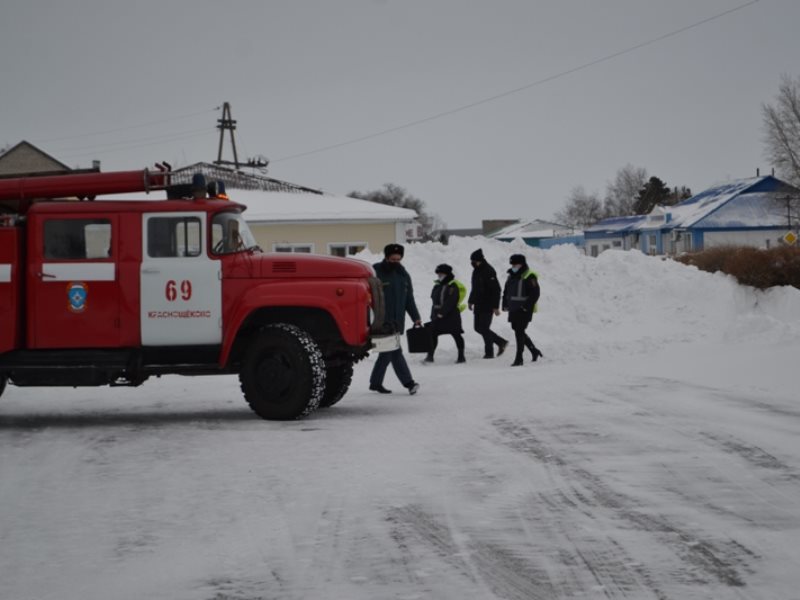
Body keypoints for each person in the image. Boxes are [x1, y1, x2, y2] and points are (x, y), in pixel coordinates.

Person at [369, 243, 422, 395]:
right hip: (382, 321)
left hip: (397, 321)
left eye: (398, 259)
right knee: (395, 351)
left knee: (386, 353)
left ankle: (375, 383)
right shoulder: (375, 272)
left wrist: (416, 317)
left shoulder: (404, 275)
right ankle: (409, 383)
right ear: (386, 257)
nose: (396, 262)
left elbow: (409, 299)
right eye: (393, 259)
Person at [502, 253, 543, 366]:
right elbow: (506, 291)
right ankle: (534, 351)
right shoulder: (511, 276)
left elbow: (535, 293)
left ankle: (519, 358)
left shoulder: (529, 276)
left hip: (524, 309)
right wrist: (504, 304)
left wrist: (525, 307)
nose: (514, 266)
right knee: (518, 330)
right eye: (512, 264)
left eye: (516, 264)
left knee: (519, 331)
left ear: (522, 264)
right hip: (513, 308)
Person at [468, 248, 508, 359]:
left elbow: (496, 290)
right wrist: (471, 301)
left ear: (479, 260)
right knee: (477, 328)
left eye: (474, 261)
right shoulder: (476, 271)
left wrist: (495, 306)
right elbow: (474, 288)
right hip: (478, 304)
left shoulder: (489, 270)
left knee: (484, 328)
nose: (472, 263)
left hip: (488, 304)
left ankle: (489, 352)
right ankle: (500, 342)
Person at [425, 264, 466, 364]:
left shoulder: (452, 286)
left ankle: (461, 356)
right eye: (438, 273)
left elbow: (451, 301)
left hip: (451, 316)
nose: (439, 275)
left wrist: (442, 312)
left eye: (441, 273)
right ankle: (430, 356)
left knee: (456, 334)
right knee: (433, 334)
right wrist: (434, 314)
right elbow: (434, 301)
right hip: (438, 316)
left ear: (447, 274)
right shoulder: (438, 285)